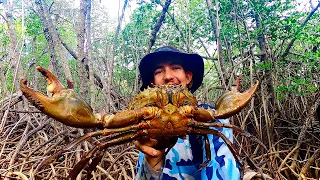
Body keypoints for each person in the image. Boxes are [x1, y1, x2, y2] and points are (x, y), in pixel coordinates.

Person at [134, 46, 240, 180]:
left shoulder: (211, 120)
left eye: (176, 68)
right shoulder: (146, 127)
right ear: (152, 84)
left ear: (188, 77)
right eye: (159, 71)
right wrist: (151, 162)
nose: (168, 76)